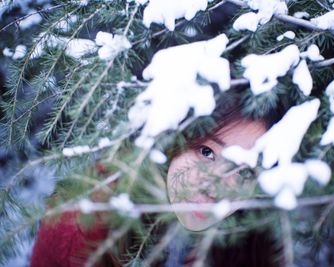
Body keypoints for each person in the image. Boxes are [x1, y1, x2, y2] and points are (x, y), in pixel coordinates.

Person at [30, 92, 282, 267]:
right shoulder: (84, 220)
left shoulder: (254, 230)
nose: (213, 187)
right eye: (206, 152)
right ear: (175, 137)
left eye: (245, 172)